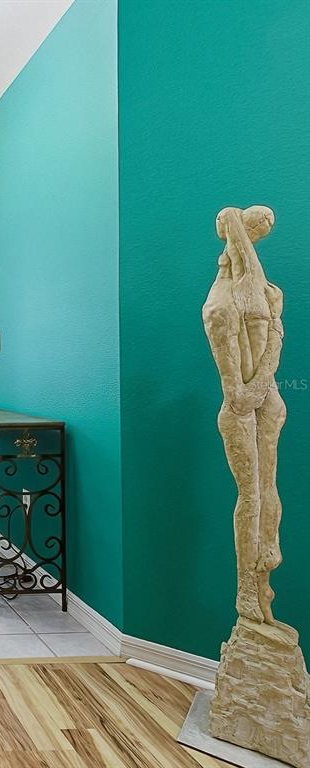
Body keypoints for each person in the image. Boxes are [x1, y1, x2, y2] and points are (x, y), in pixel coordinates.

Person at [202, 205, 285, 624]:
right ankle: (248, 592)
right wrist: (252, 390)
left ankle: (260, 585)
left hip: (259, 404)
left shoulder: (260, 293)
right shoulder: (232, 300)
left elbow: (272, 344)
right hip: (250, 406)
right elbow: (235, 380)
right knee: (253, 494)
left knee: (263, 493)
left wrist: (256, 388)